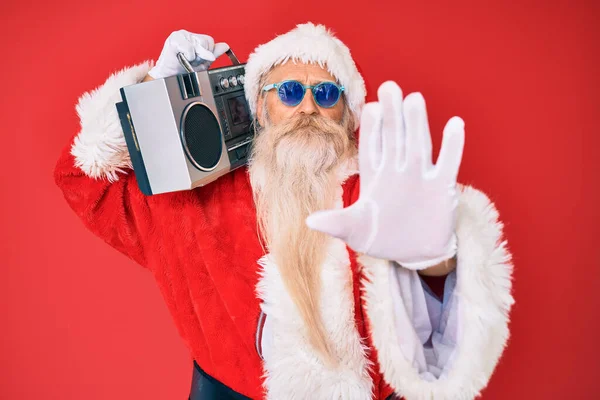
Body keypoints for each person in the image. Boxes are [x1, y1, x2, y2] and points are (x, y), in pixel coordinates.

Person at [54, 23, 514, 400]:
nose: (309, 106)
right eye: (290, 92)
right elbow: (84, 180)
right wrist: (152, 92)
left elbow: (452, 312)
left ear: (350, 118)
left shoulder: (383, 192)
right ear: (260, 106)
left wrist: (434, 255)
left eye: (327, 95)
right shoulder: (194, 202)